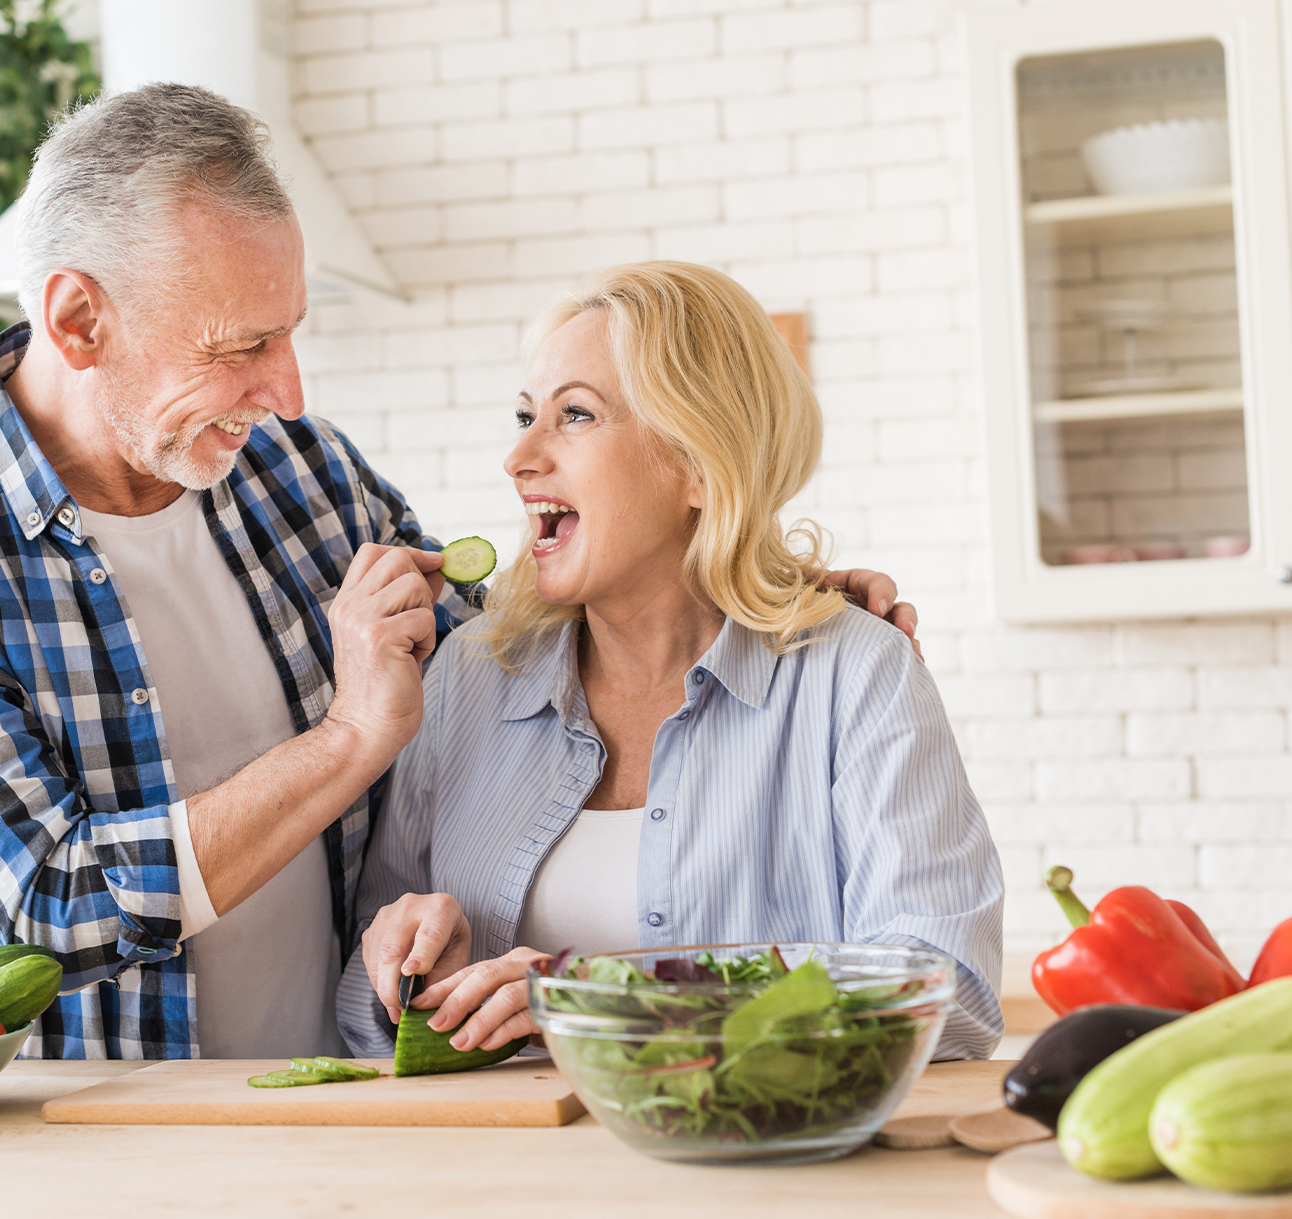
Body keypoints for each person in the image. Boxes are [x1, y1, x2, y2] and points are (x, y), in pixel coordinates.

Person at [0, 84, 915, 1060]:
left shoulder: (304, 475)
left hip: (332, 1094)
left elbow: (517, 658)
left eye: (289, 334)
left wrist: (772, 598)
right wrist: (347, 740)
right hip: (83, 1138)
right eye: (240, 345)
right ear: (79, 318)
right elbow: (45, 908)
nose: (285, 390)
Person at [339, 262, 1003, 1063]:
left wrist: (614, 1001)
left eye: (575, 415)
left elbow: (945, 988)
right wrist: (408, 980)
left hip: (752, 1176)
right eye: (524, 416)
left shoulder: (855, 674)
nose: (519, 457)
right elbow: (360, 1008)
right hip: (506, 1175)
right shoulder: (469, 678)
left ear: (697, 461)